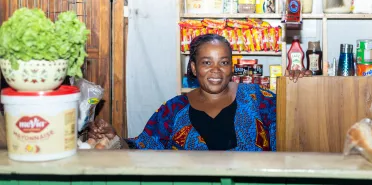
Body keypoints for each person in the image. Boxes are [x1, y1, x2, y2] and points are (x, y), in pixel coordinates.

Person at [88, 34, 308, 150]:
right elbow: (145, 146)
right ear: (194, 68)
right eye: (206, 62)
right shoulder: (174, 110)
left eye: (223, 62)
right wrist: (115, 139)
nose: (216, 70)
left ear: (232, 67)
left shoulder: (258, 98)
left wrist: (305, 88)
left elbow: (299, 122)